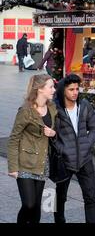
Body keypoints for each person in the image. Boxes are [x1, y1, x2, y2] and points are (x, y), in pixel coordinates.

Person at [7, 74, 57, 223]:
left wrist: (53, 133)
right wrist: (13, 167)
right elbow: (14, 139)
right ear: (40, 89)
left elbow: (56, 132)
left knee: (35, 206)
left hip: (42, 163)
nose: (54, 90)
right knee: (28, 204)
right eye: (51, 87)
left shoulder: (52, 108)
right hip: (25, 163)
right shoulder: (25, 111)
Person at [53, 73, 95, 223]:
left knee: (90, 197)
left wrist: (87, 144)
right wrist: (62, 149)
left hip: (85, 160)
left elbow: (94, 128)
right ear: (63, 91)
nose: (75, 92)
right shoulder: (55, 109)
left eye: (77, 89)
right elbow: (51, 135)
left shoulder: (84, 105)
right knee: (60, 197)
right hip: (64, 160)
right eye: (71, 89)